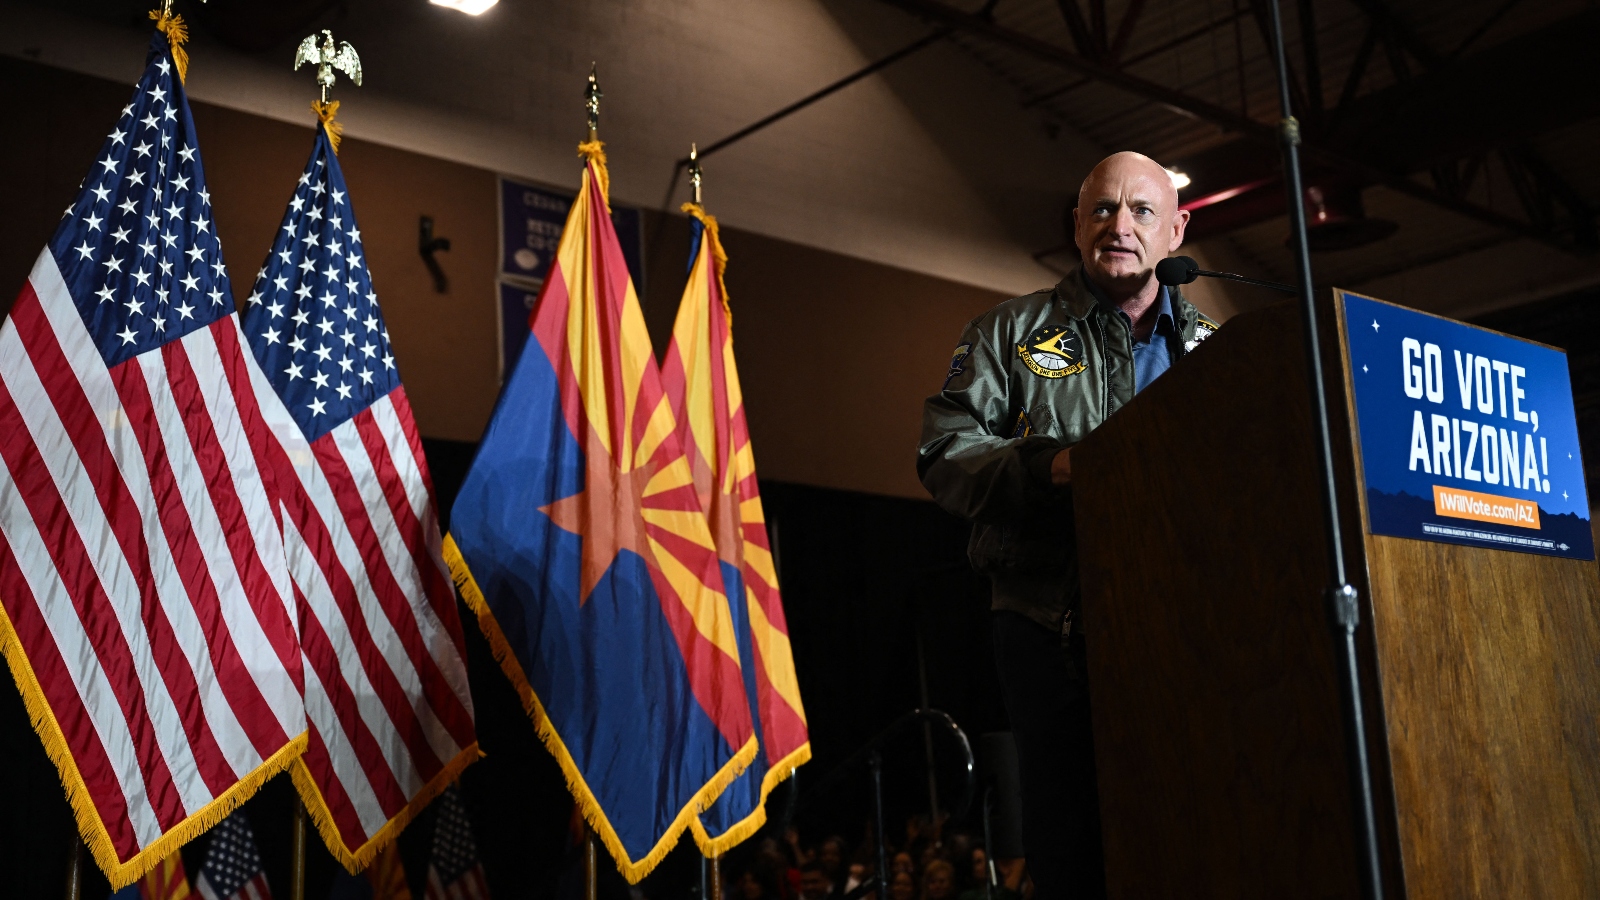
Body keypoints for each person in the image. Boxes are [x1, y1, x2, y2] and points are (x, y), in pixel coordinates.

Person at [918, 151, 1217, 899]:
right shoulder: (1006, 333)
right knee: (1070, 835)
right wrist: (1053, 469)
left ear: (1177, 230)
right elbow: (947, 453)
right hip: (1048, 621)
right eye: (1103, 210)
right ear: (1077, 224)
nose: (1121, 226)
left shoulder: (1221, 352)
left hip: (1194, 624)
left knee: (1192, 820)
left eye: (1143, 211)